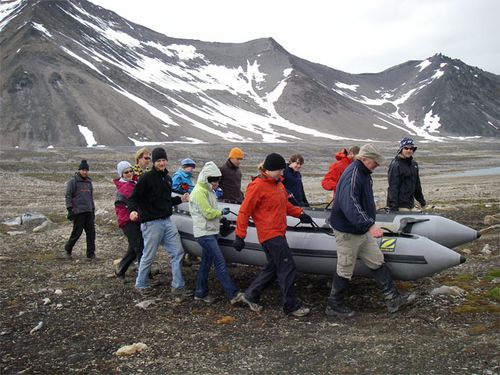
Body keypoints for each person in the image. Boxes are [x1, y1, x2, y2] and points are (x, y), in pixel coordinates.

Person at [325, 144, 414, 318]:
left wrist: (366, 224)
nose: (377, 165)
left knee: (376, 260)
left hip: (360, 228)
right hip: (347, 230)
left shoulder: (364, 173)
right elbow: (349, 203)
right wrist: (369, 225)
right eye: (375, 162)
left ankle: (392, 299)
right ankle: (333, 305)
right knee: (345, 267)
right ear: (364, 159)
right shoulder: (354, 175)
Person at [233, 153, 313, 318]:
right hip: (270, 234)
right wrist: (240, 235)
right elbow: (244, 211)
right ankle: (291, 306)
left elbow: (285, 205)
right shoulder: (257, 186)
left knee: (274, 267)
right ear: (269, 170)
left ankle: (250, 295)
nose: (282, 174)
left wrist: (300, 214)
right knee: (287, 266)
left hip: (278, 232)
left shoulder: (278, 185)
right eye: (279, 170)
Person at [128, 147, 191, 296]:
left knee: (177, 252)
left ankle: (178, 286)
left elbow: (165, 200)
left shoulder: (167, 178)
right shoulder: (146, 178)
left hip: (167, 221)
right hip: (151, 223)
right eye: (158, 161)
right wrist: (132, 210)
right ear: (154, 162)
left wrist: (180, 199)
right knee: (148, 255)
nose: (161, 163)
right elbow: (134, 197)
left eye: (163, 160)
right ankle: (141, 284)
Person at [189, 161, 250, 306]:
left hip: (209, 231)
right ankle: (233, 294)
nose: (216, 183)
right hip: (205, 233)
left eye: (217, 180)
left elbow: (211, 212)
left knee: (206, 263)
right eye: (213, 180)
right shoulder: (199, 192)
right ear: (206, 178)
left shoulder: (208, 191)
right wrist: (221, 213)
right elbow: (208, 213)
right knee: (220, 263)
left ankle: (200, 292)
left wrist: (221, 217)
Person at [113, 161, 144, 280]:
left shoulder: (133, 183)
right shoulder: (124, 187)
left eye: (131, 171)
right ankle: (144, 276)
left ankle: (120, 269)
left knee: (133, 247)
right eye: (126, 172)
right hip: (127, 221)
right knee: (140, 246)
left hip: (135, 219)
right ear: (121, 174)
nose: (129, 174)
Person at [64, 160, 96, 260]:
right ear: (79, 170)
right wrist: (70, 210)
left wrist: (93, 209)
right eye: (83, 170)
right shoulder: (73, 181)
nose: (85, 172)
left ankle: (91, 254)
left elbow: (90, 197)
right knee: (76, 233)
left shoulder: (89, 182)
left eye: (86, 170)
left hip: (88, 211)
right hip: (78, 212)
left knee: (91, 234)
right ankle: (68, 249)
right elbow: (68, 196)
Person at [387, 137, 426, 211]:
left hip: (411, 204)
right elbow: (393, 188)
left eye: (411, 149)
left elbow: (417, 185)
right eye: (406, 148)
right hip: (399, 206)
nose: (409, 150)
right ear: (401, 149)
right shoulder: (395, 165)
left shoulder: (414, 164)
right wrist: (393, 208)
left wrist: (422, 201)